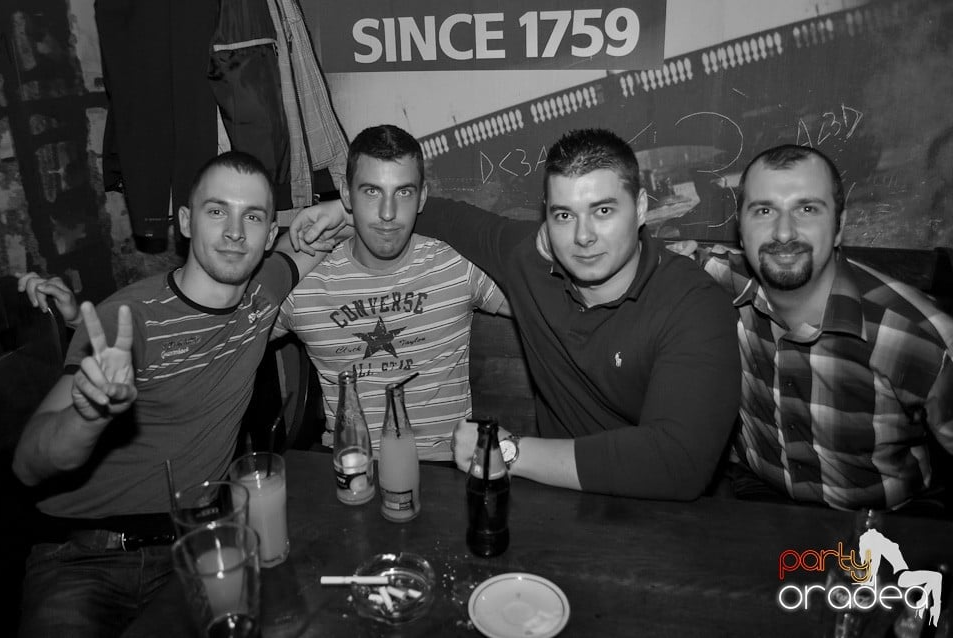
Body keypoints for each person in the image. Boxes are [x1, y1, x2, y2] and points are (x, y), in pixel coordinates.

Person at [291, 128, 741, 500]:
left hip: (669, 517)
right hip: (560, 503)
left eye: (603, 210)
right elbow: (440, 216)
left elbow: (678, 463)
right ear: (546, 218)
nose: (583, 236)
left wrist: (507, 452)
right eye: (564, 215)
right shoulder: (528, 260)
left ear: (640, 208)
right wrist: (347, 212)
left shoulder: (694, 303)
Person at [11, 150, 326, 638]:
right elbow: (27, 464)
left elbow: (334, 232)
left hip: (201, 546)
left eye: (252, 217)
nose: (234, 232)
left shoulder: (264, 294)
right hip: (86, 557)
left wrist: (338, 207)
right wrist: (89, 415)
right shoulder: (129, 320)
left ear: (269, 237)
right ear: (184, 221)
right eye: (217, 211)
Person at [674, 144, 953, 511]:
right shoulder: (712, 283)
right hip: (754, 503)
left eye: (807, 209)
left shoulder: (920, 336)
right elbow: (636, 256)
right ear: (741, 229)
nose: (784, 232)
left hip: (881, 522)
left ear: (839, 227)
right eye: (764, 210)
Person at [272, 124, 508, 461]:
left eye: (403, 192)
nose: (387, 213)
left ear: (422, 198)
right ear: (346, 195)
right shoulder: (308, 284)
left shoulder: (456, 265)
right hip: (350, 465)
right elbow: (236, 331)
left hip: (444, 467)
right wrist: (287, 247)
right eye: (371, 191)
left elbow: (544, 301)